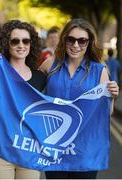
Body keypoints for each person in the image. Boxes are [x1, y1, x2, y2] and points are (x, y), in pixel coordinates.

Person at [39, 18, 119, 179]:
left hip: (86, 151)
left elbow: (106, 113)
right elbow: (25, 92)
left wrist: (112, 97)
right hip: (55, 148)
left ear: (89, 43)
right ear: (64, 39)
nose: (76, 45)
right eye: (71, 39)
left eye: (82, 41)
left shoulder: (99, 71)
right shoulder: (50, 64)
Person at [0, 20, 46, 179]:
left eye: (26, 41)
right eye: (15, 41)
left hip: (29, 151)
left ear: (31, 44)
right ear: (6, 44)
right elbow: (1, 105)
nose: (21, 45)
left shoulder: (40, 77)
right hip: (1, 151)